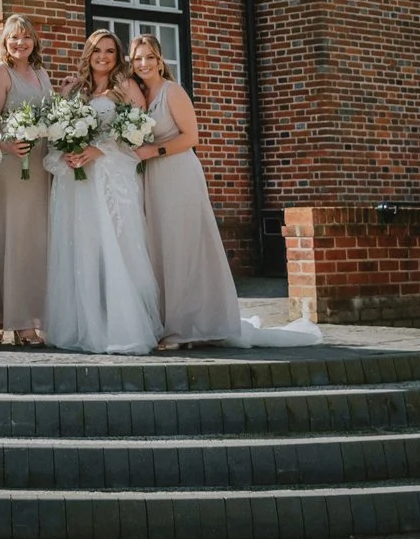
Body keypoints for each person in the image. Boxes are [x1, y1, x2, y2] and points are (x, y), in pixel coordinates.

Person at [126, 33, 321, 350]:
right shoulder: (142, 96)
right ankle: (170, 321)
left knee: (183, 249)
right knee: (161, 249)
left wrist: (153, 152)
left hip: (178, 175)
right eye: (138, 59)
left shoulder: (172, 92)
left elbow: (191, 138)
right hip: (153, 180)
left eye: (149, 56)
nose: (144, 63)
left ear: (160, 59)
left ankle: (184, 328)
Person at [41, 29, 162, 355]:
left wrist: (99, 151)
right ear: (88, 54)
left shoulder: (127, 88)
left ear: (117, 56)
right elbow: (56, 130)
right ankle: (82, 325)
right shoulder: (75, 89)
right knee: (82, 247)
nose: (103, 56)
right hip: (76, 183)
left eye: (110, 51)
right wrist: (67, 148)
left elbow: (137, 136)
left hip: (110, 178)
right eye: (97, 50)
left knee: (114, 246)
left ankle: (119, 326)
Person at [0, 14, 53, 345]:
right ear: (5, 43)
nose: (20, 43)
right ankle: (17, 322)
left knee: (35, 240)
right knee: (12, 238)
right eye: (13, 38)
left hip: (38, 165)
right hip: (12, 165)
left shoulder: (41, 74)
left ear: (34, 41)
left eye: (25, 37)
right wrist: (9, 145)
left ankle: (20, 314)